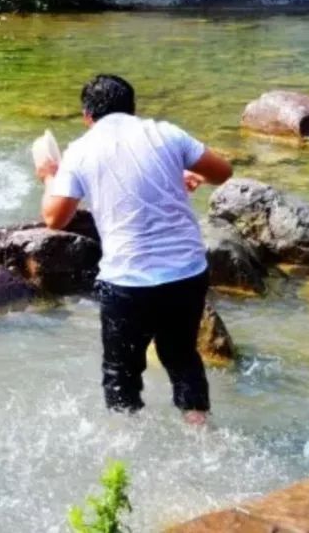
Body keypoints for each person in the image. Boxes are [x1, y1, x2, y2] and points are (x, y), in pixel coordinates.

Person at [36, 75, 233, 424]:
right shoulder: (166, 133)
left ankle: (125, 451)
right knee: (182, 356)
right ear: (133, 107)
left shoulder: (80, 150)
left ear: (87, 115)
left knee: (121, 373)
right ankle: (200, 435)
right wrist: (181, 173)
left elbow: (54, 218)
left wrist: (50, 174)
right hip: (186, 272)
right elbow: (222, 172)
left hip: (128, 281)